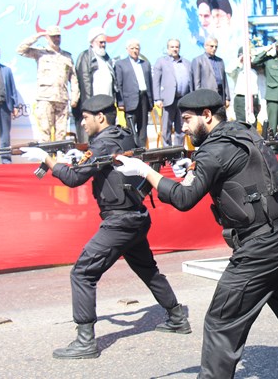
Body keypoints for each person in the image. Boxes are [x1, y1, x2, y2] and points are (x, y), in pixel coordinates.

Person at [114, 89, 278, 379]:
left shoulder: (214, 150)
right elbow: (232, 173)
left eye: (187, 119)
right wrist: (193, 170)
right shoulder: (243, 132)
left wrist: (144, 171)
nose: (183, 127)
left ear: (207, 115)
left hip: (261, 246)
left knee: (221, 320)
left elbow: (183, 198)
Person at [19, 94, 191, 360]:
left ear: (100, 117)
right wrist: (81, 156)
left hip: (120, 221)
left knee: (82, 273)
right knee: (148, 271)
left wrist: (48, 159)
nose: (82, 123)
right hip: (136, 216)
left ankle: (85, 342)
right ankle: (178, 317)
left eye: (85, 118)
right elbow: (102, 164)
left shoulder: (103, 143)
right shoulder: (124, 136)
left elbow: (73, 178)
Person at [17, 25, 80, 142]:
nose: (56, 39)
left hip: (62, 99)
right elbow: (21, 50)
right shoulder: (40, 53)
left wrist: (75, 97)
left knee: (61, 134)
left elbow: (73, 78)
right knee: (45, 132)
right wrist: (38, 36)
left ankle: (60, 153)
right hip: (45, 98)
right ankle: (46, 154)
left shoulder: (67, 56)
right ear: (47, 38)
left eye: (58, 36)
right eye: (53, 37)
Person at [75, 27, 117, 143]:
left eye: (104, 42)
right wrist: (88, 107)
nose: (103, 45)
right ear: (92, 42)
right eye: (101, 42)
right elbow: (85, 84)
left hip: (106, 105)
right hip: (92, 106)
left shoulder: (106, 58)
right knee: (91, 138)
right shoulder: (85, 56)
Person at [152, 39, 192, 146]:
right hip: (167, 100)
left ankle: (178, 151)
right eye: (172, 47)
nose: (175, 49)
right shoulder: (161, 61)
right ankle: (167, 152)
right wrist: (157, 98)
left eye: (177, 47)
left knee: (181, 129)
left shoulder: (186, 63)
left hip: (183, 101)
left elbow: (191, 82)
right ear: (167, 48)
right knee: (166, 129)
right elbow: (156, 81)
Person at [114, 39, 153, 148]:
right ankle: (131, 149)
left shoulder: (145, 64)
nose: (135, 50)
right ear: (127, 49)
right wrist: (120, 102)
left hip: (144, 98)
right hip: (129, 100)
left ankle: (142, 149)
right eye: (132, 48)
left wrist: (151, 102)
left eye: (137, 48)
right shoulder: (121, 64)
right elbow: (119, 84)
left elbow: (150, 83)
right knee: (130, 128)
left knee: (143, 127)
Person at [0, 43, 21, 164]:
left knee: (5, 136)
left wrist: (15, 105)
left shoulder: (6, 70)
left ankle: (6, 160)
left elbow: (12, 89)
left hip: (4, 107)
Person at [191, 37, 230, 107]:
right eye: (212, 46)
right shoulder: (198, 60)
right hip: (206, 97)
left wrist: (227, 98)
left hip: (220, 96)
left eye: (216, 47)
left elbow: (225, 81)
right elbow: (197, 83)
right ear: (205, 46)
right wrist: (199, 99)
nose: (214, 48)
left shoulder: (220, 61)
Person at [226, 46, 260, 123]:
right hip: (241, 99)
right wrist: (240, 59)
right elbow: (228, 70)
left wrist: (259, 102)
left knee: (253, 124)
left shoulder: (253, 71)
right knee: (242, 124)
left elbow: (257, 88)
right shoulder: (237, 71)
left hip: (253, 99)